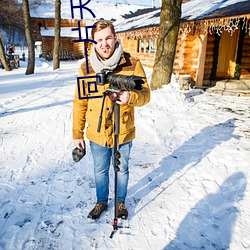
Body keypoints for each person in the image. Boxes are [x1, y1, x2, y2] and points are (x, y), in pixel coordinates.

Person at [72, 20, 150, 220]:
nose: (104, 44)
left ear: (115, 38)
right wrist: (77, 134)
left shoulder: (132, 64)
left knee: (122, 168)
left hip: (123, 130)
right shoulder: (86, 68)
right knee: (100, 170)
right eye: (99, 40)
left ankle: (121, 202)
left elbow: (146, 95)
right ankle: (101, 202)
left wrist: (130, 97)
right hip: (97, 133)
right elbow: (80, 103)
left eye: (108, 38)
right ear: (94, 42)